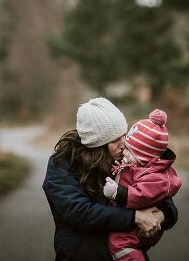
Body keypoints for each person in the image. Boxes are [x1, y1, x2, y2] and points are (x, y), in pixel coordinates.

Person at [42, 98, 178, 261]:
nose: (124, 144)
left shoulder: (127, 158)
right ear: (97, 144)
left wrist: (160, 216)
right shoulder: (62, 164)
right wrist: (135, 217)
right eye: (114, 140)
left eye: (124, 135)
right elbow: (78, 212)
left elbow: (160, 193)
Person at [102, 109, 182, 261]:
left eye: (129, 150)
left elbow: (143, 194)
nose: (123, 152)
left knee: (119, 245)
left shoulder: (153, 175)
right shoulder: (138, 166)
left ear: (144, 157)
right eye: (125, 147)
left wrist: (118, 193)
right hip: (131, 222)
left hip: (136, 228)